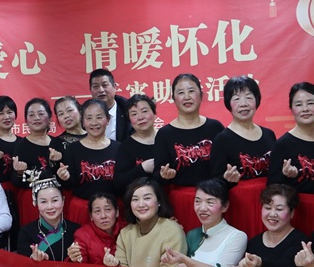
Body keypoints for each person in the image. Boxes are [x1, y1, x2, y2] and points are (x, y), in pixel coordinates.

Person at [268, 83, 314, 235]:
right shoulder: (282, 145)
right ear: (292, 109)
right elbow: (272, 189)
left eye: (310, 103)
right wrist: (288, 178)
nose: (305, 109)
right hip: (298, 214)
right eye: (299, 104)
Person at [155, 73, 225, 232]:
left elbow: (222, 169)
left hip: (212, 200)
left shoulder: (215, 128)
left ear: (201, 95)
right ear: (173, 98)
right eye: (181, 92)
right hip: (181, 203)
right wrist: (164, 175)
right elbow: (157, 176)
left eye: (191, 91)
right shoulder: (165, 134)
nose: (187, 97)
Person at [210, 76, 277, 238]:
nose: (243, 104)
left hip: (269, 205)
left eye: (249, 97)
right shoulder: (222, 139)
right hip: (241, 208)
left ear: (257, 100)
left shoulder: (269, 135)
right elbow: (215, 184)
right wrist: (227, 180)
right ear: (228, 104)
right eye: (236, 98)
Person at [161, 179, 247, 267]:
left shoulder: (237, 236)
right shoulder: (192, 234)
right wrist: (183, 266)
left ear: (225, 206)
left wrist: (184, 259)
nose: (202, 208)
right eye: (197, 201)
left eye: (210, 202)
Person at [58, 98, 119, 226]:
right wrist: (65, 178)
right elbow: (69, 185)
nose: (94, 122)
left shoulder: (119, 148)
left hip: (111, 209)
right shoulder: (72, 150)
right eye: (89, 118)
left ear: (108, 120)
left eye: (99, 117)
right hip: (82, 210)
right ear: (83, 121)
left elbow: (123, 182)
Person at [10, 98, 66, 228]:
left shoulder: (58, 143)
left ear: (49, 117)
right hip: (32, 201)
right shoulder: (21, 146)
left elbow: (66, 177)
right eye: (31, 115)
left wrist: (57, 163)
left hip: (56, 199)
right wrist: (19, 172)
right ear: (26, 120)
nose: (36, 118)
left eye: (41, 114)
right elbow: (15, 182)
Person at [234, 185, 309, 267]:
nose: (272, 214)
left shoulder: (300, 241)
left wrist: (260, 262)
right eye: (268, 208)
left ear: (292, 213)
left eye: (279, 209)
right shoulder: (254, 242)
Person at [110, 178, 187, 267]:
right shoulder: (125, 234)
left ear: (159, 202)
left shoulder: (172, 231)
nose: (141, 204)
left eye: (147, 198)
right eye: (135, 199)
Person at [17, 176, 79, 262]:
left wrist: (76, 258)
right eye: (43, 201)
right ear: (36, 203)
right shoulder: (26, 233)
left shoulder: (76, 230)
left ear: (63, 201)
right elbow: (22, 265)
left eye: (54, 200)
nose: (50, 207)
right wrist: (33, 260)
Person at [114, 94, 159, 197]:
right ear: (130, 120)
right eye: (134, 114)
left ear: (154, 114)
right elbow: (119, 183)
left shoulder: (166, 138)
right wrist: (143, 168)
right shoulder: (126, 147)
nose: (140, 117)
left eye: (144, 111)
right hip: (138, 201)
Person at [67, 193, 125, 264]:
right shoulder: (82, 235)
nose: (103, 216)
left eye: (108, 209)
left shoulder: (126, 231)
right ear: (91, 216)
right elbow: (80, 264)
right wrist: (75, 259)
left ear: (117, 212)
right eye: (97, 211)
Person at [89, 68, 131, 141]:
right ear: (91, 90)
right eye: (96, 86)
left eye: (105, 85)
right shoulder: (85, 114)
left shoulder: (128, 110)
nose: (101, 90)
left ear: (114, 87)